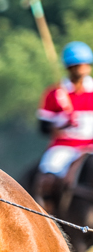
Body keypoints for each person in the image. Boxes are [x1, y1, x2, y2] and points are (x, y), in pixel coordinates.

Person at [36, 41, 93, 182]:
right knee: (48, 176)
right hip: (64, 147)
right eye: (77, 65)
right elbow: (43, 127)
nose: (82, 69)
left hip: (90, 146)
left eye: (85, 65)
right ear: (69, 67)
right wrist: (62, 125)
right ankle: (45, 204)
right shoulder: (55, 93)